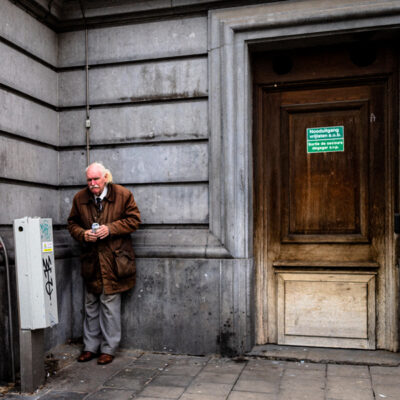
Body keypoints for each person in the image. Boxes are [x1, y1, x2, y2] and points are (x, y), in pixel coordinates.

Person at [67, 162, 141, 365]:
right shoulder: (80, 198)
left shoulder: (123, 195)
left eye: (96, 179)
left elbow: (134, 220)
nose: (92, 183)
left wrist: (110, 229)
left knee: (110, 305)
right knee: (91, 304)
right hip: (92, 261)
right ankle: (90, 347)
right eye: (89, 180)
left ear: (106, 177)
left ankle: (109, 348)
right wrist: (83, 234)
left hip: (114, 261)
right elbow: (72, 223)